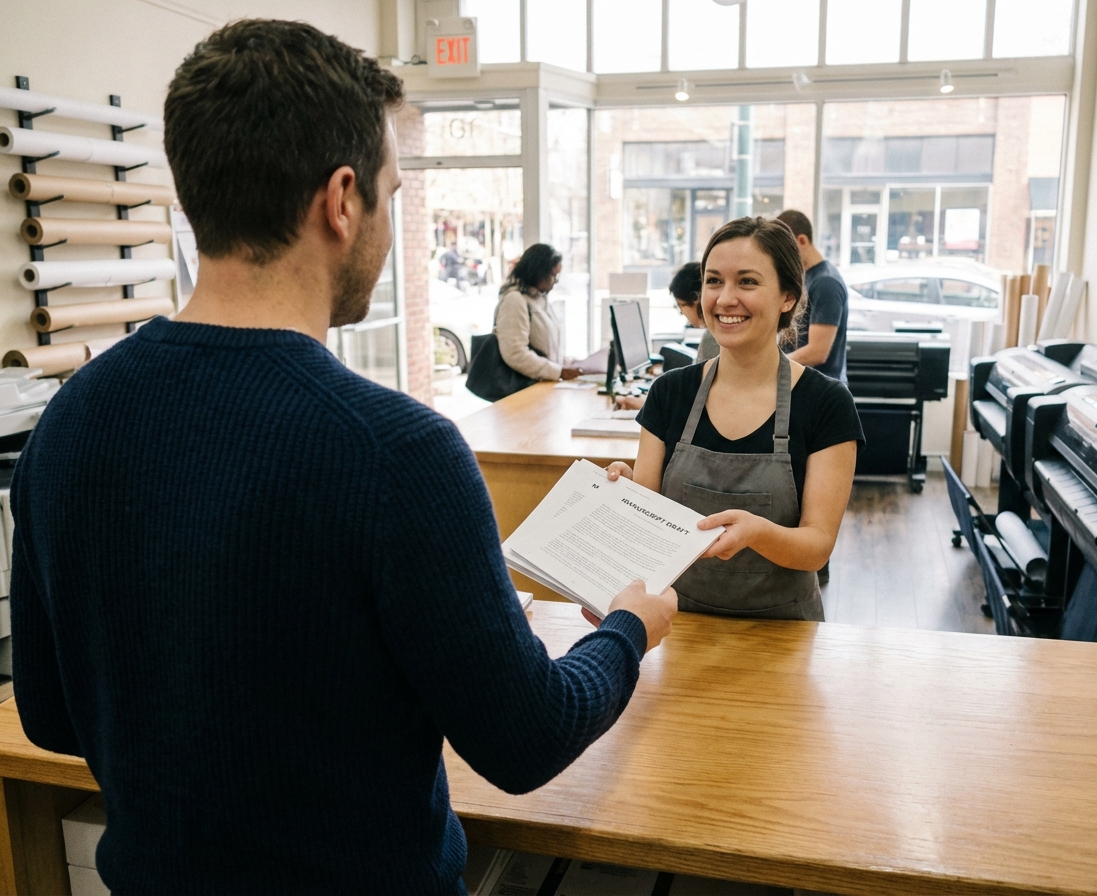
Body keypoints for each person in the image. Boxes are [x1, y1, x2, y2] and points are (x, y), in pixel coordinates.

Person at [10, 20, 676, 895]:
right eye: (394, 196)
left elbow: (54, 717)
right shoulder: (396, 452)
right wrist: (629, 629)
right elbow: (528, 740)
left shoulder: (71, 419)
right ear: (342, 199)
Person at [607, 217, 863, 620]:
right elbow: (649, 521)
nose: (725, 299)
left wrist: (758, 532)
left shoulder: (826, 402)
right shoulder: (669, 393)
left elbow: (817, 547)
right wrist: (625, 496)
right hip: (675, 624)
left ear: (788, 297)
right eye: (713, 281)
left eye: (747, 282)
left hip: (781, 633)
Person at [614, 262, 716, 411]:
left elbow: (694, 408)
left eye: (680, 306)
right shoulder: (714, 336)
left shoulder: (712, 339)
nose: (681, 313)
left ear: (696, 300)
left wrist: (647, 405)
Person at [776, 209, 850, 384]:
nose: (783, 258)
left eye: (786, 250)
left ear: (802, 241)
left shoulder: (826, 283)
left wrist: (772, 366)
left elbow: (817, 352)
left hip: (821, 394)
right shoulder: (806, 279)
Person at [494, 243, 584, 382]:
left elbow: (547, 350)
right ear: (538, 272)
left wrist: (569, 364)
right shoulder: (514, 300)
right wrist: (557, 371)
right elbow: (515, 353)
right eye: (553, 275)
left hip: (543, 385)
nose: (555, 281)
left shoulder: (539, 298)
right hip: (523, 390)